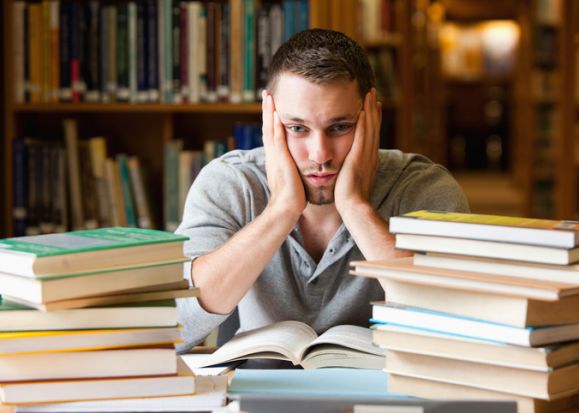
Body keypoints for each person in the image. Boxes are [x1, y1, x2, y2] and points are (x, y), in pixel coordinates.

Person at [175, 28, 469, 353]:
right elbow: (176, 328)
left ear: (373, 118)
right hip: (260, 395)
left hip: (383, 395)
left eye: (340, 127)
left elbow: (456, 325)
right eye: (297, 128)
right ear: (269, 118)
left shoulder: (425, 188)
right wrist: (281, 211)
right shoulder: (229, 183)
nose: (320, 155)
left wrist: (355, 207)